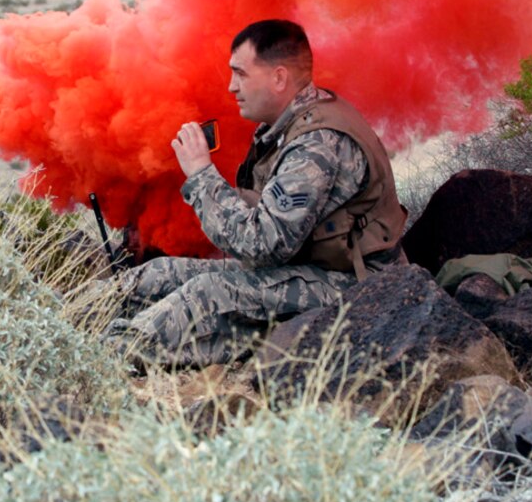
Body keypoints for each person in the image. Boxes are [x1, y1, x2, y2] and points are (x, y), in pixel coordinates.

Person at [109, 19, 406, 367]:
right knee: (155, 276)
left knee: (208, 294)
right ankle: (70, 315)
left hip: (358, 286)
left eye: (241, 74)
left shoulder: (318, 144)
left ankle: (104, 357)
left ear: (279, 78)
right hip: (305, 266)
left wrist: (202, 175)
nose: (232, 86)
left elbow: (262, 246)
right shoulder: (284, 126)